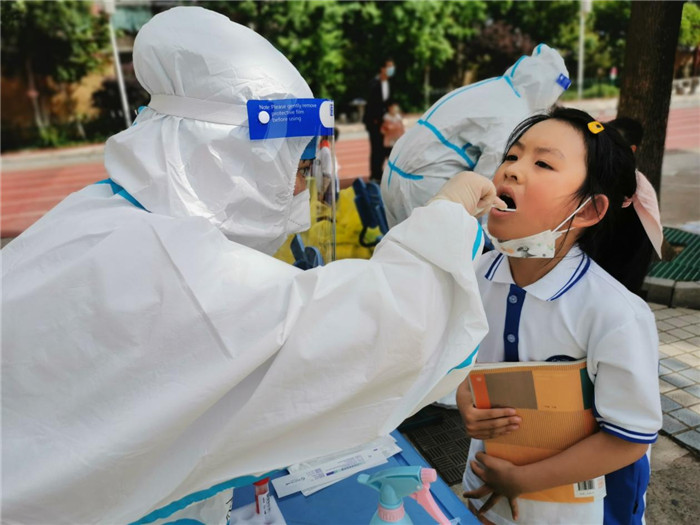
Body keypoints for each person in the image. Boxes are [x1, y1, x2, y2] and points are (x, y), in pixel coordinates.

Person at [1, 7, 504, 524]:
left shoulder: (99, 215)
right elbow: (382, 326)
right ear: (226, 158)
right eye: (296, 167)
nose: (299, 195)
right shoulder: (177, 272)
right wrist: (449, 215)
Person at [457, 107, 663, 524]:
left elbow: (629, 439)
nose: (512, 171)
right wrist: (464, 399)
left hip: (582, 510)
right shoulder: (473, 276)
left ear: (587, 211)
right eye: (512, 156)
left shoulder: (616, 314)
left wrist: (523, 479)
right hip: (488, 491)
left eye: (543, 163)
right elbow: (460, 362)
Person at [380, 44, 570, 228]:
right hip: (424, 185)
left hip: (396, 173)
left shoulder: (495, 89)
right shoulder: (514, 114)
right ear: (547, 90)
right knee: (432, 255)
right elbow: (485, 183)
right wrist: (492, 230)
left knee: (400, 252)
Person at [606, 116, 665, 271]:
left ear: (631, 150)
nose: (603, 147)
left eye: (613, 144)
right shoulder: (608, 178)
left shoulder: (630, 190)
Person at [363, 56, 395, 183]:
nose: (391, 69)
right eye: (389, 66)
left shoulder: (390, 84)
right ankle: (375, 174)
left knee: (386, 147)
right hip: (374, 122)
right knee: (376, 147)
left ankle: (383, 172)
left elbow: (390, 102)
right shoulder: (374, 84)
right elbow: (371, 104)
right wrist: (376, 120)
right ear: (382, 69)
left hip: (386, 122)